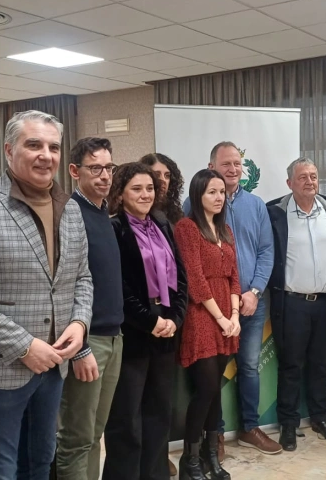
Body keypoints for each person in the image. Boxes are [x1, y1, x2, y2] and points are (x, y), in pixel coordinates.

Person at [0, 110, 92, 480]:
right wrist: (24, 346)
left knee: (40, 462)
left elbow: (82, 277)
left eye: (53, 147)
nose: (46, 155)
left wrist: (79, 323)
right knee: (0, 470)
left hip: (53, 365)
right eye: (34, 145)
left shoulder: (70, 208)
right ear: (9, 150)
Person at [183, 142, 278, 456]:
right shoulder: (191, 208)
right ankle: (216, 436)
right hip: (209, 310)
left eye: (238, 163)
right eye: (226, 164)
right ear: (211, 166)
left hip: (249, 303)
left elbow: (266, 252)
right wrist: (224, 313)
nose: (233, 169)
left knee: (249, 367)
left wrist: (254, 292)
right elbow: (194, 270)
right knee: (212, 378)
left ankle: (250, 427)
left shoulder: (256, 205)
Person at [101, 163, 188, 480]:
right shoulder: (114, 229)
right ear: (121, 193)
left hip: (166, 331)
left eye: (149, 188)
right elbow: (118, 287)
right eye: (136, 189)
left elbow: (181, 278)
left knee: (159, 414)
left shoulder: (163, 224)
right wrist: (150, 320)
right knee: (126, 418)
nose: (145, 194)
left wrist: (175, 318)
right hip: (133, 333)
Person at [265, 157, 326, 452]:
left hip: (325, 302)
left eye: (313, 176)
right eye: (302, 177)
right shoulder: (275, 213)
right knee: (291, 364)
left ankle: (320, 417)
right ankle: (288, 423)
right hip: (292, 303)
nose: (310, 181)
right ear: (290, 183)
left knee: (320, 364)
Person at [56, 137, 123, 480]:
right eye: (95, 168)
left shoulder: (102, 212)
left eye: (109, 167)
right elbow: (64, 287)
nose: (105, 176)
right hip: (87, 341)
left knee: (95, 434)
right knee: (76, 438)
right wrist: (79, 348)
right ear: (74, 171)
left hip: (113, 337)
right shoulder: (70, 215)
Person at [175, 169, 241, 480]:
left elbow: (234, 276)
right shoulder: (187, 228)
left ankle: (211, 456)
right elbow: (195, 279)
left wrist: (235, 316)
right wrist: (222, 318)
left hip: (228, 316)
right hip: (202, 315)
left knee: (215, 392)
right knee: (206, 389)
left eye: (222, 192)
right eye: (211, 192)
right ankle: (190, 461)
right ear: (197, 195)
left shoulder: (224, 229)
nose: (218, 197)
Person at [139, 152, 185, 477]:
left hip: (173, 316)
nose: (161, 181)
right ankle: (150, 458)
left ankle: (160, 453)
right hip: (142, 319)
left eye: (167, 175)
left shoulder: (174, 218)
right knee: (142, 396)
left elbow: (181, 273)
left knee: (164, 394)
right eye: (156, 175)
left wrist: (175, 317)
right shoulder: (124, 222)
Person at [140, 152, 185, 225]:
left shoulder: (175, 212)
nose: (163, 180)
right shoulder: (140, 212)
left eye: (167, 176)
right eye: (157, 175)